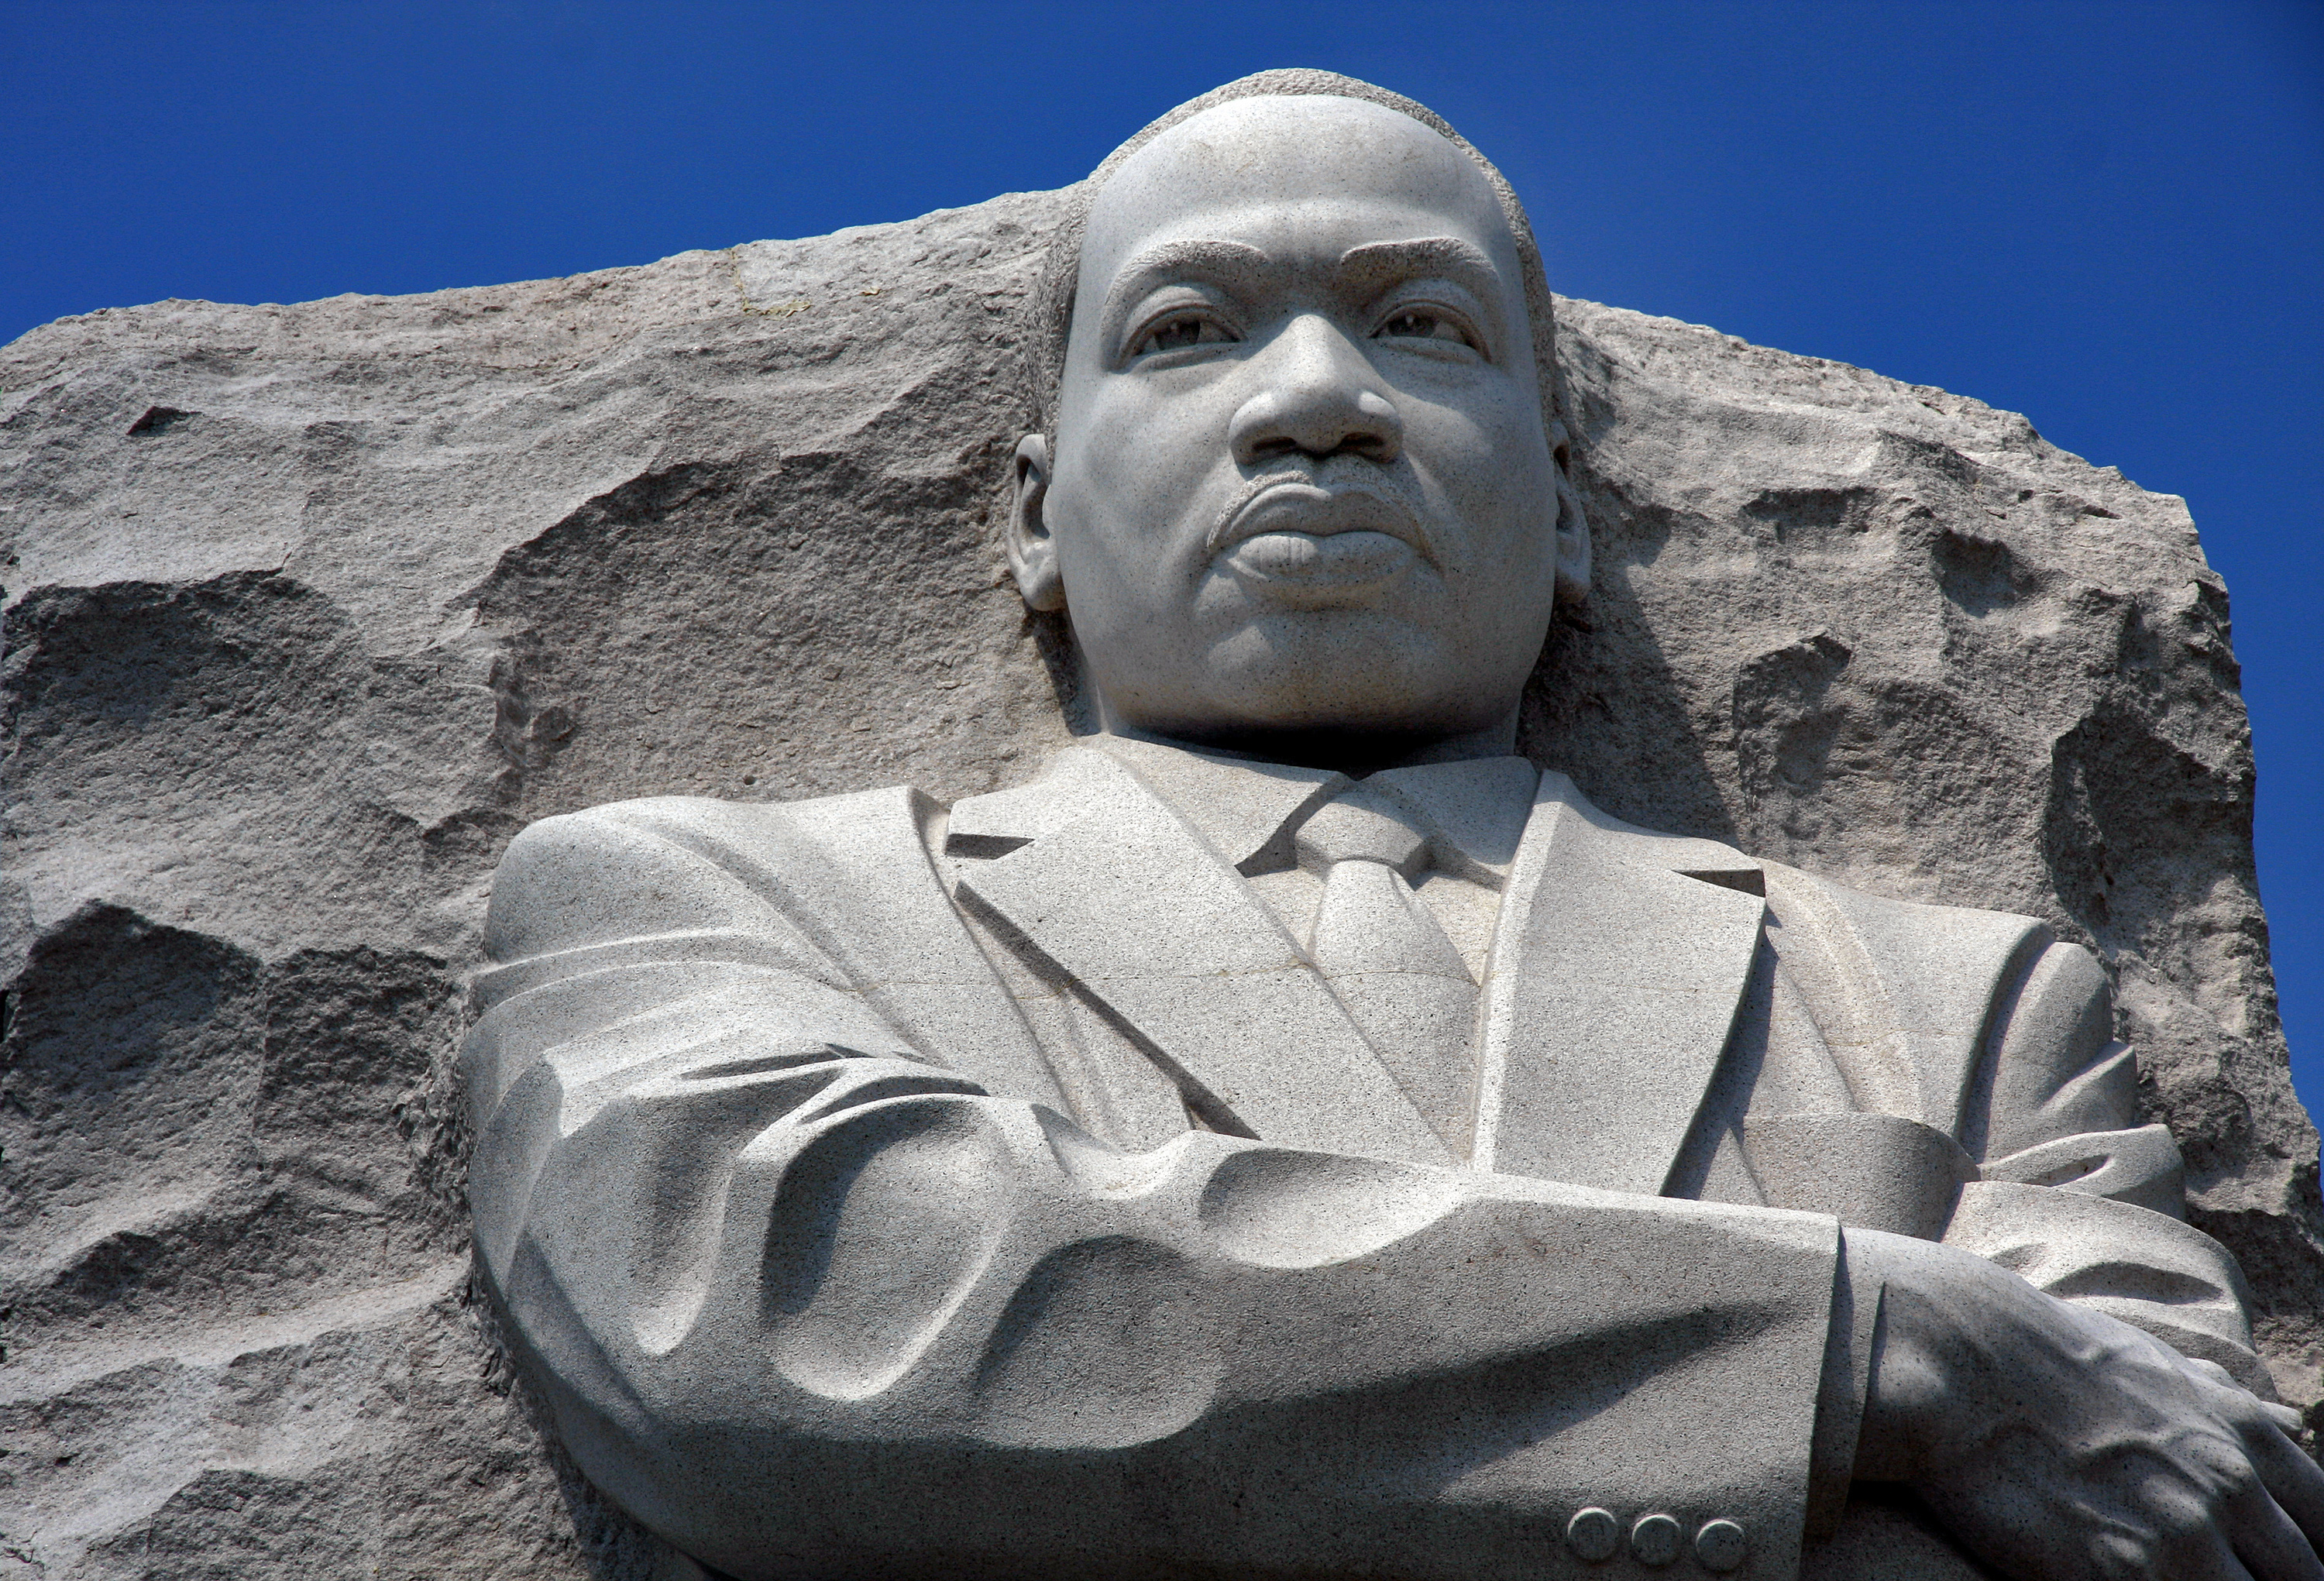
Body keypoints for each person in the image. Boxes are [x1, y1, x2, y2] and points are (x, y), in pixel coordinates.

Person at [463, 71, 2322, 1581]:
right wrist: (1879, 1346)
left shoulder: (1966, 1001)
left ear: (1572, 508)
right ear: (1032, 513)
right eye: (1188, 331)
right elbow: (808, 1312)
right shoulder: (718, 903)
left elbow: (2174, 1494)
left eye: (1419, 326)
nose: (1317, 404)